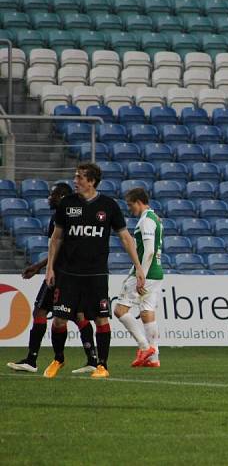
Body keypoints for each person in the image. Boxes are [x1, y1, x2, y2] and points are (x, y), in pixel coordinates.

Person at [43, 162, 145, 379]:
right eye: (75, 176)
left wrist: (138, 267)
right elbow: (56, 238)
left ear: (91, 181)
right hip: (68, 273)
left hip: (96, 274)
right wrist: (50, 268)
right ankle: (58, 359)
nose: (75, 181)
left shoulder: (108, 206)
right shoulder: (67, 204)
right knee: (59, 320)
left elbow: (126, 238)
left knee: (101, 319)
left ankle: (102, 365)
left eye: (79, 177)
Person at [7, 183, 98, 374]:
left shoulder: (61, 216)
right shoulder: (73, 215)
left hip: (59, 274)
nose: (50, 197)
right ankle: (92, 358)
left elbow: (59, 249)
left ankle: (35, 360)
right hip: (73, 273)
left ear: (63, 196)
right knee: (76, 314)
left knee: (43, 312)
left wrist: (40, 267)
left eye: (54, 194)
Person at [114, 187, 163, 368]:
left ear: (139, 202)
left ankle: (145, 347)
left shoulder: (146, 221)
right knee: (146, 312)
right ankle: (154, 358)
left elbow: (149, 250)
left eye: (130, 204)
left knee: (120, 310)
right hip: (156, 272)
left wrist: (141, 273)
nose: (129, 208)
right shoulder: (155, 218)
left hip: (145, 272)